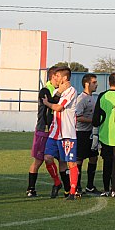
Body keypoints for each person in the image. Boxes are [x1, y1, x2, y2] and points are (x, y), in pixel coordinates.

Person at [42, 66, 80, 200]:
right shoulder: (59, 91)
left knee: (70, 163)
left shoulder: (71, 91)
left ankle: (72, 191)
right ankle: (57, 183)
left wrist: (47, 103)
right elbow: (54, 100)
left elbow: (58, 107)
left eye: (57, 76)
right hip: (54, 133)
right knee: (47, 158)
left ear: (64, 78)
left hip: (67, 133)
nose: (55, 78)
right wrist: (55, 95)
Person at [26, 66, 63, 198]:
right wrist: (60, 93)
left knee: (58, 159)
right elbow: (51, 102)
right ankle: (31, 188)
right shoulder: (45, 90)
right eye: (59, 76)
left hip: (56, 130)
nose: (61, 79)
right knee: (38, 160)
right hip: (44, 130)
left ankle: (62, 184)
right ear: (53, 76)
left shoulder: (59, 90)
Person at [76, 73, 99, 194]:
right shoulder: (82, 99)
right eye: (94, 82)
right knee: (79, 159)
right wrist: (93, 121)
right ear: (87, 84)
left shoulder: (92, 97)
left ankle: (90, 185)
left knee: (94, 157)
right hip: (81, 133)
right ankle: (77, 186)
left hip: (91, 133)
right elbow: (78, 117)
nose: (97, 84)